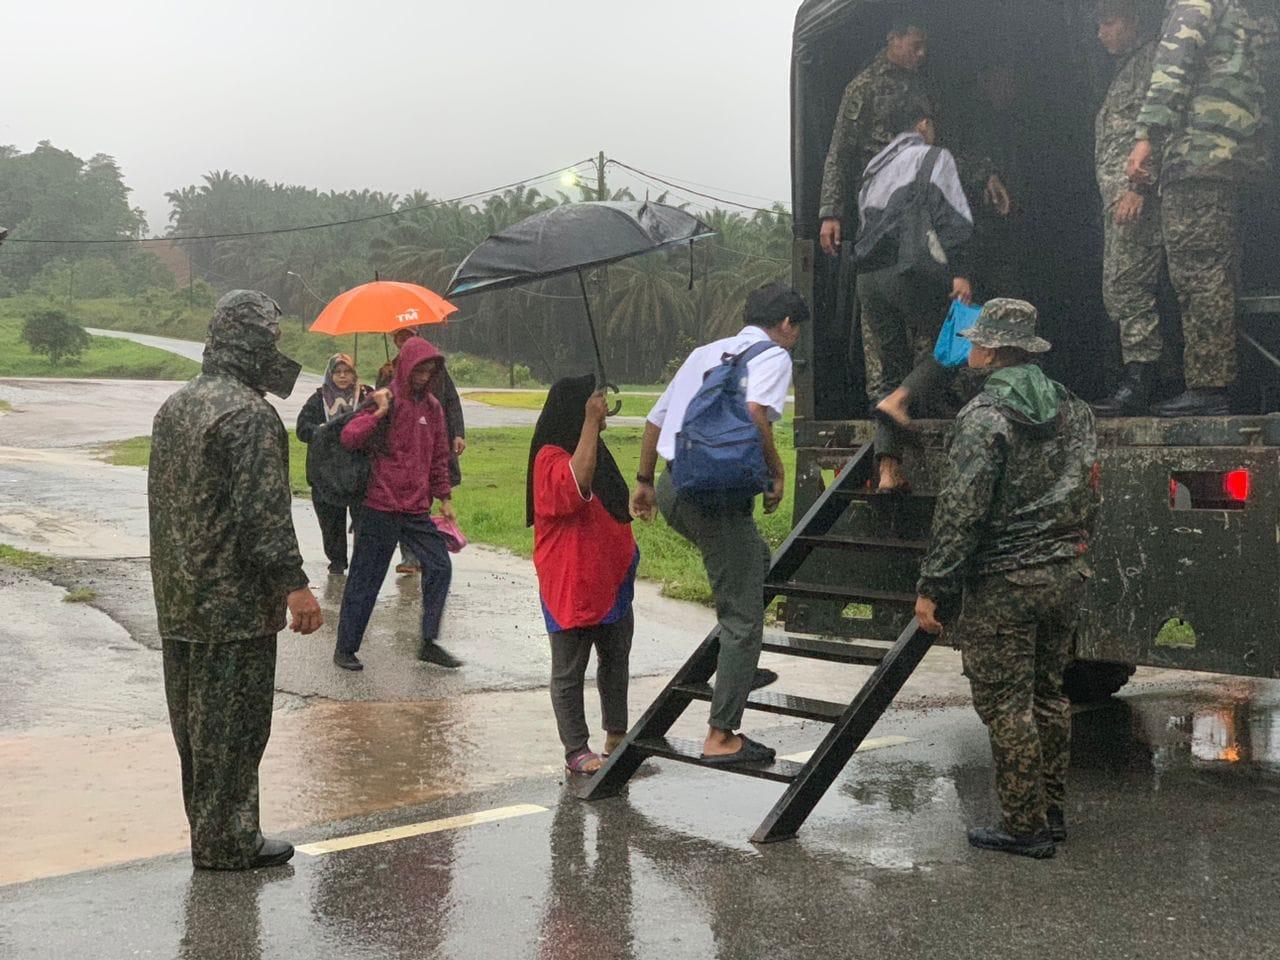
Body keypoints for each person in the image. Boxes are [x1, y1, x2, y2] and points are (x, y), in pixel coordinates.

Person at [914, 299, 1100, 860]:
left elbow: (960, 511)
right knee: (1048, 694)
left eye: (975, 342)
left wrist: (934, 587)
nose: (970, 350)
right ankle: (1051, 809)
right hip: (1066, 571)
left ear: (992, 349)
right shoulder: (1077, 410)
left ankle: (1025, 826)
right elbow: (1092, 490)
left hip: (1005, 582)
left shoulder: (984, 418)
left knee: (1005, 704)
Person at [149, 290, 324, 871]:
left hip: (179, 601)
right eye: (273, 338)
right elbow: (262, 515)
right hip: (233, 607)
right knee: (235, 730)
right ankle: (229, 842)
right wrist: (293, 586)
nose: (279, 349)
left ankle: (210, 832)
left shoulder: (178, 405)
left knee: (195, 734)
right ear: (251, 341)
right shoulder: (249, 415)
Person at [631, 283, 807, 766]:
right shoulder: (773, 356)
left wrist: (644, 482)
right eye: (797, 328)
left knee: (755, 562)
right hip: (714, 495)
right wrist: (777, 472)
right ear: (787, 323)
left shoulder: (706, 352)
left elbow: (654, 420)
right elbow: (755, 415)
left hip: (674, 485)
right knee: (743, 618)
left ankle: (738, 668)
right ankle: (722, 735)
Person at [1126, 0, 1269, 416]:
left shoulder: (1193, 4)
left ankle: (1209, 388)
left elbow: (1174, 66)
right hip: (1233, 154)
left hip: (1197, 155)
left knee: (1198, 271)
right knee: (1219, 273)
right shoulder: (1246, 12)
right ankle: (1225, 386)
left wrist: (1147, 137)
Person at [854, 105, 975, 491]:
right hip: (908, 272)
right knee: (959, 339)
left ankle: (889, 471)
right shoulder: (933, 156)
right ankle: (902, 399)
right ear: (922, 124)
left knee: (888, 371)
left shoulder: (873, 170)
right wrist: (960, 270)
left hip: (869, 279)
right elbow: (952, 214)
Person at [818, 17, 1009, 258]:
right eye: (915, 46)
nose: (921, 54)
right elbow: (839, 153)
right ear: (893, 39)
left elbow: (942, 152)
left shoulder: (925, 90)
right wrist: (830, 214)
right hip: (881, 212)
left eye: (925, 48)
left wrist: (984, 175)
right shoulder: (864, 87)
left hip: (923, 211)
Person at [528, 375, 638, 775]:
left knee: (615, 659)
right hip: (571, 582)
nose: (604, 408)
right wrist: (591, 424)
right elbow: (576, 486)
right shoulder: (549, 457)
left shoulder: (594, 448)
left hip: (610, 581)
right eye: (596, 402)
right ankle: (576, 748)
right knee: (569, 669)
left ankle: (617, 734)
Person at [333, 336, 461, 671]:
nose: (423, 376)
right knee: (365, 579)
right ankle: (345, 648)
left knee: (440, 567)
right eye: (419, 369)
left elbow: (438, 457)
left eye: (430, 371)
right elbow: (349, 437)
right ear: (406, 367)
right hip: (380, 506)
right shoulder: (384, 398)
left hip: (416, 508)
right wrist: (380, 412)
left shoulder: (432, 407)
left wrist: (444, 496)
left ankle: (429, 642)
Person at [1092, 1, 1165, 416]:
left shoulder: (1150, 62)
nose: (1102, 33)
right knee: (1119, 288)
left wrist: (1138, 186)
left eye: (1109, 22)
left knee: (1129, 285)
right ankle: (1138, 376)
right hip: (1118, 200)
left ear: (1133, 22)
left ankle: (1141, 381)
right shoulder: (1128, 69)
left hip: (1136, 199)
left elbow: (1156, 125)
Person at [379, 327, 467, 574]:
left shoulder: (436, 372)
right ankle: (409, 555)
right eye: (400, 337)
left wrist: (458, 433)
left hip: (427, 448)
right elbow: (375, 411)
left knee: (420, 504)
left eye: (409, 336)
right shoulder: (388, 371)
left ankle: (420, 554)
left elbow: (451, 401)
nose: (404, 340)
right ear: (394, 341)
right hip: (396, 459)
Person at [296, 353, 372, 573]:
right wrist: (321, 431)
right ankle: (337, 562)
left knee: (363, 521)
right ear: (330, 374)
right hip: (326, 471)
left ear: (353, 373)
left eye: (346, 372)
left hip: (359, 470)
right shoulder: (319, 398)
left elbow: (383, 417)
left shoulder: (366, 395)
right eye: (337, 372)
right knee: (331, 522)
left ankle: (362, 563)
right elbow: (302, 429)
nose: (342, 376)